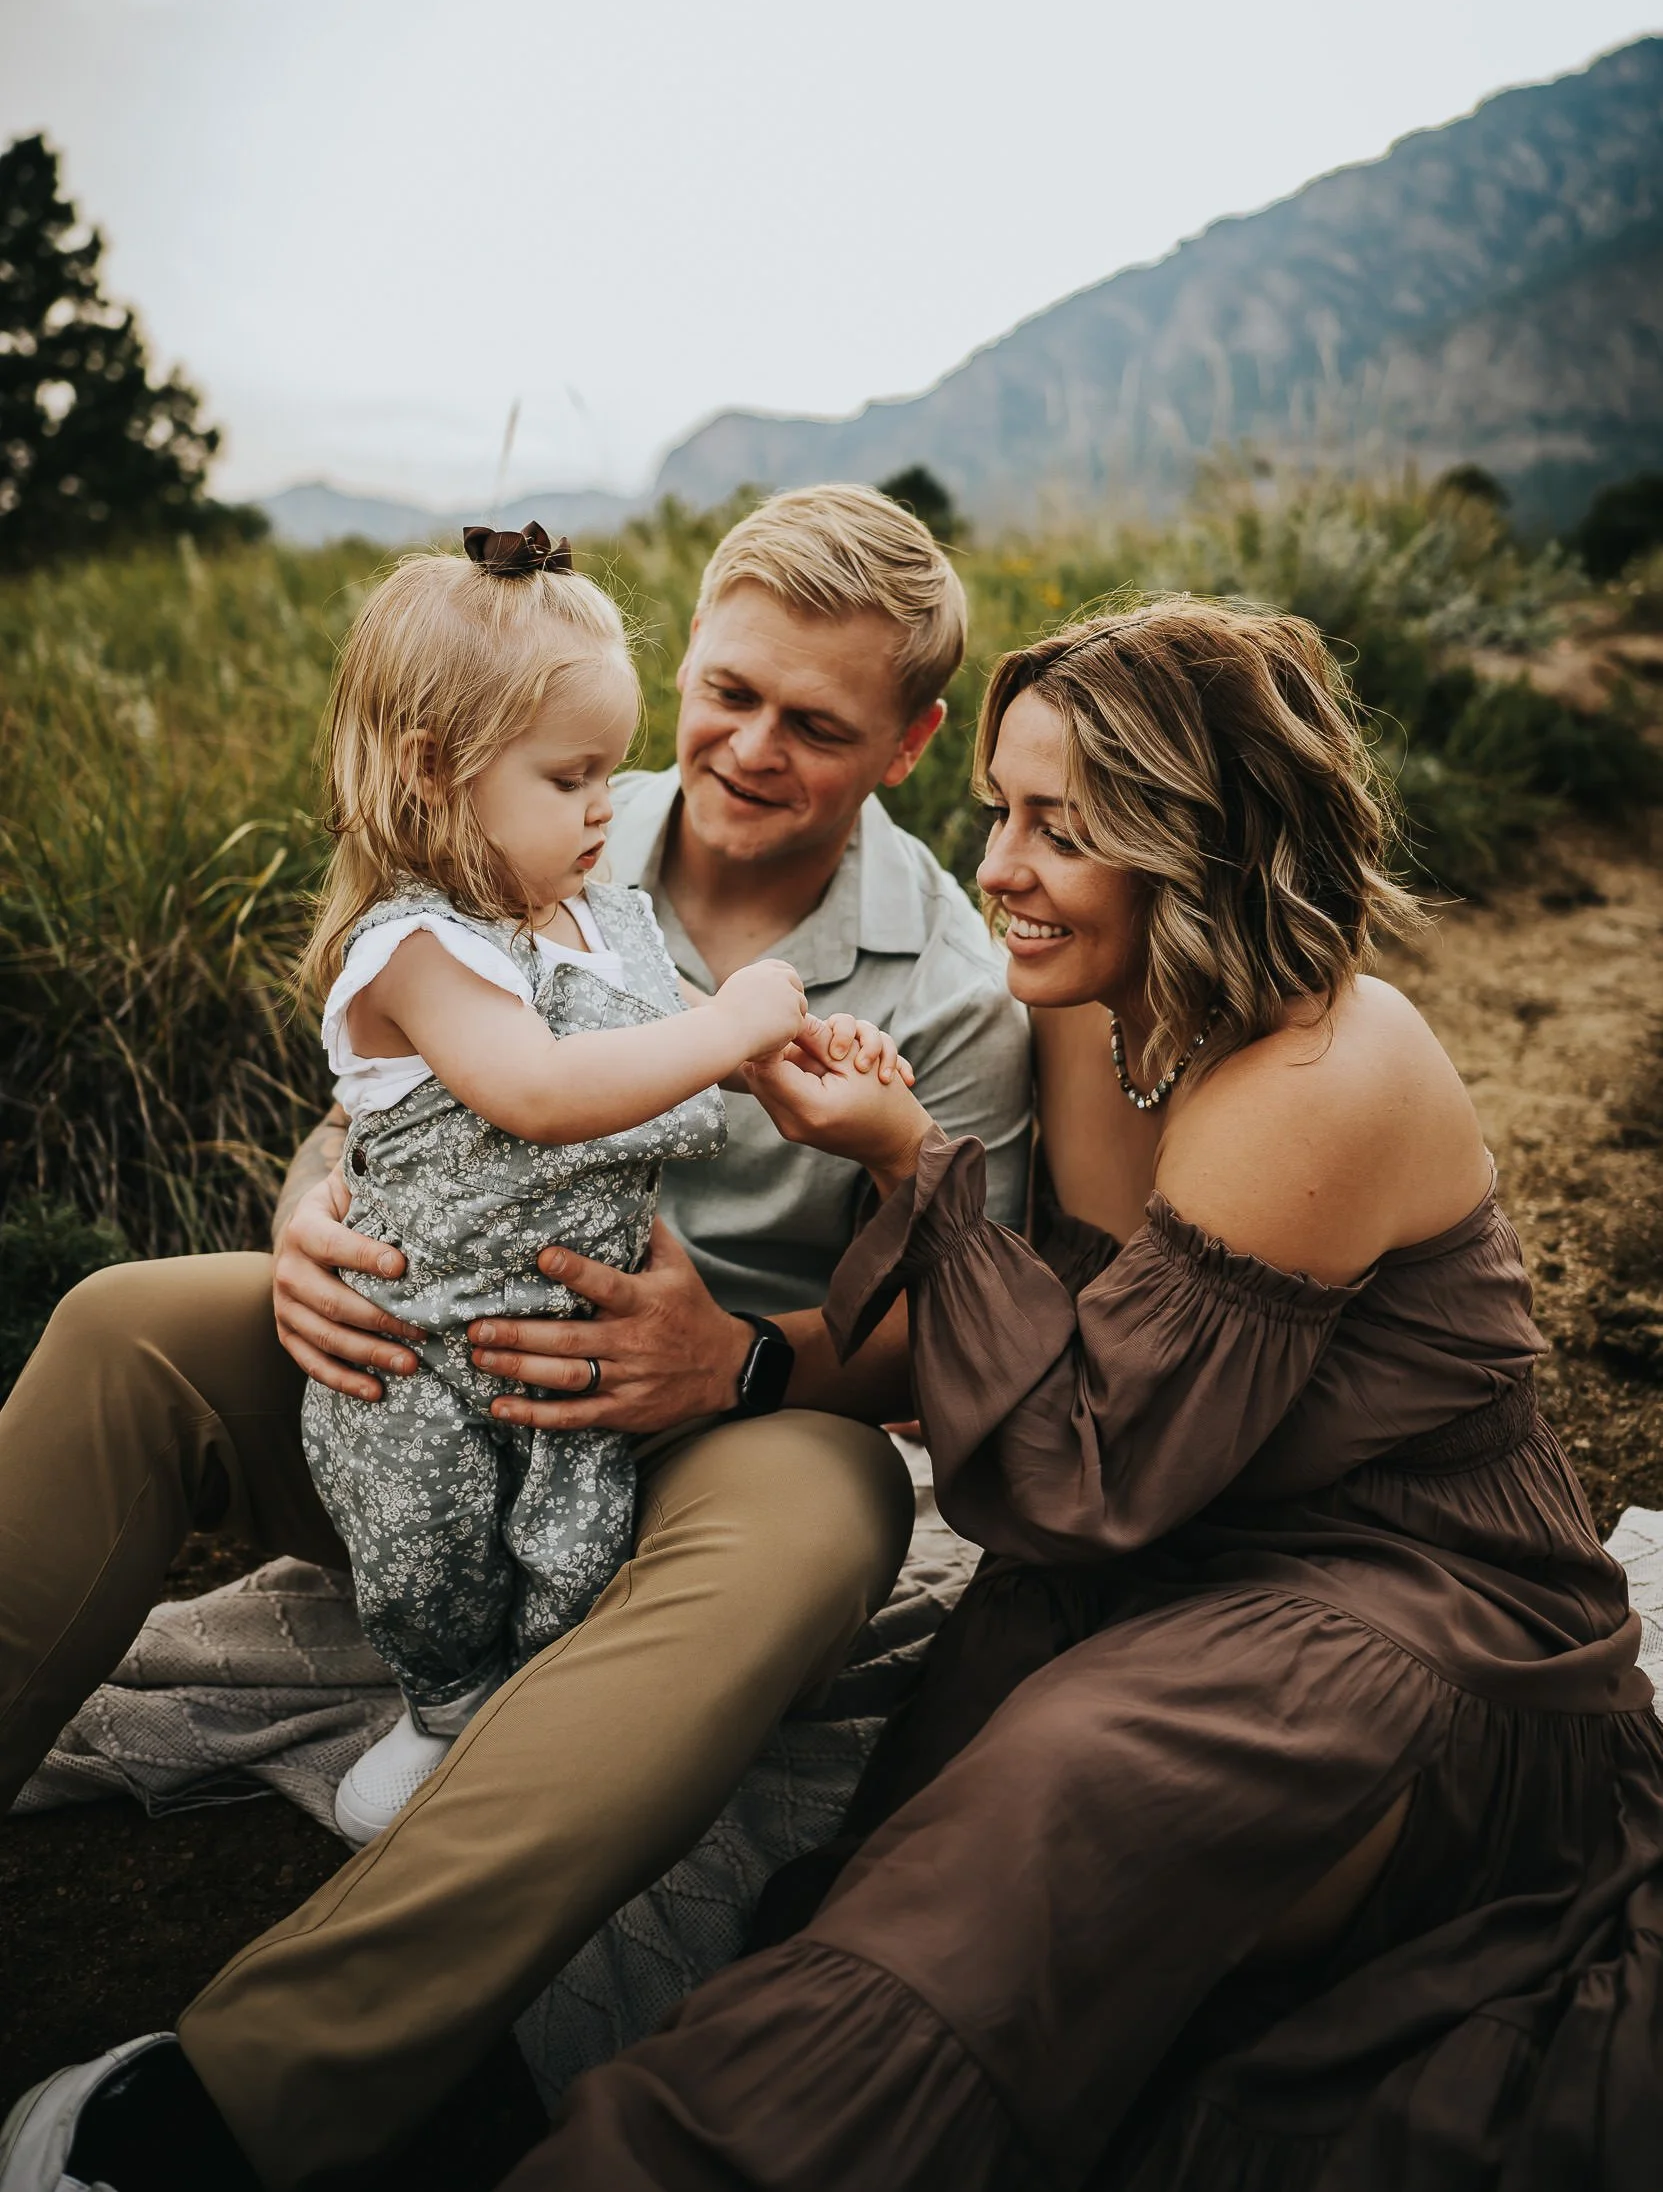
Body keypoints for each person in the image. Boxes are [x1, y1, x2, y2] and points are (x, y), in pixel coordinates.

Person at [508, 597, 1663, 2190]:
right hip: (1168, 1564)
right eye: (997, 808)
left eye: (1062, 827)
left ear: (1201, 847)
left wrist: (915, 1165)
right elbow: (1048, 1365)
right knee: (930, 1826)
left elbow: (1080, 1469)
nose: (996, 867)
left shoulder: (1324, 1074)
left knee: (1053, 1803)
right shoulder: (1096, 1026)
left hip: (1425, 1623)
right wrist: (757, 1345)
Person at [0, 488, 1031, 2192]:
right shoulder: (532, 787)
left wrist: (745, 1363)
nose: (746, 749)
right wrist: (310, 1202)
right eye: (728, 690)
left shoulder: (953, 992)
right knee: (128, 1323)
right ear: (680, 657)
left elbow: (956, 1320)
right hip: (424, 1368)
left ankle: (237, 2102)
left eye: (817, 722)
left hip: (707, 1446)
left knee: (828, 1509)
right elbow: (390, 1082)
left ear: (911, 741)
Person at [296, 520, 889, 1843]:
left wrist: (790, 1048)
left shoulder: (587, 911)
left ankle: (545, 1711)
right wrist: (732, 1025)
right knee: (428, 1554)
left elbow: (657, 1028)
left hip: (571, 1339)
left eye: (607, 774)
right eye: (569, 778)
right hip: (418, 1352)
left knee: (572, 1551)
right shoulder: (417, 948)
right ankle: (442, 1711)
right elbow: (542, 1095)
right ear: (432, 773)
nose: (602, 809)